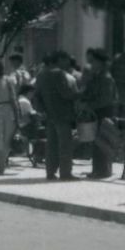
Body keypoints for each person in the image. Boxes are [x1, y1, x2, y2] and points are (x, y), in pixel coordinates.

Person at [34, 52, 79, 181]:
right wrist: (79, 94)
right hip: (63, 114)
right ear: (59, 60)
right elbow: (65, 94)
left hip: (49, 115)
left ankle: (50, 172)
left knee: (51, 145)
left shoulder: (41, 75)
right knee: (65, 145)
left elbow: (37, 96)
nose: (68, 63)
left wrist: (42, 110)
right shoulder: (59, 74)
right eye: (66, 60)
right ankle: (66, 173)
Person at [77, 48, 119, 179]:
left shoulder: (106, 78)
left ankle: (104, 170)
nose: (91, 64)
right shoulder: (97, 76)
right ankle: (97, 169)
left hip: (104, 113)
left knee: (103, 142)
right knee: (96, 143)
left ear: (101, 63)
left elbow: (105, 100)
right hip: (96, 113)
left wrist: (89, 106)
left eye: (94, 61)